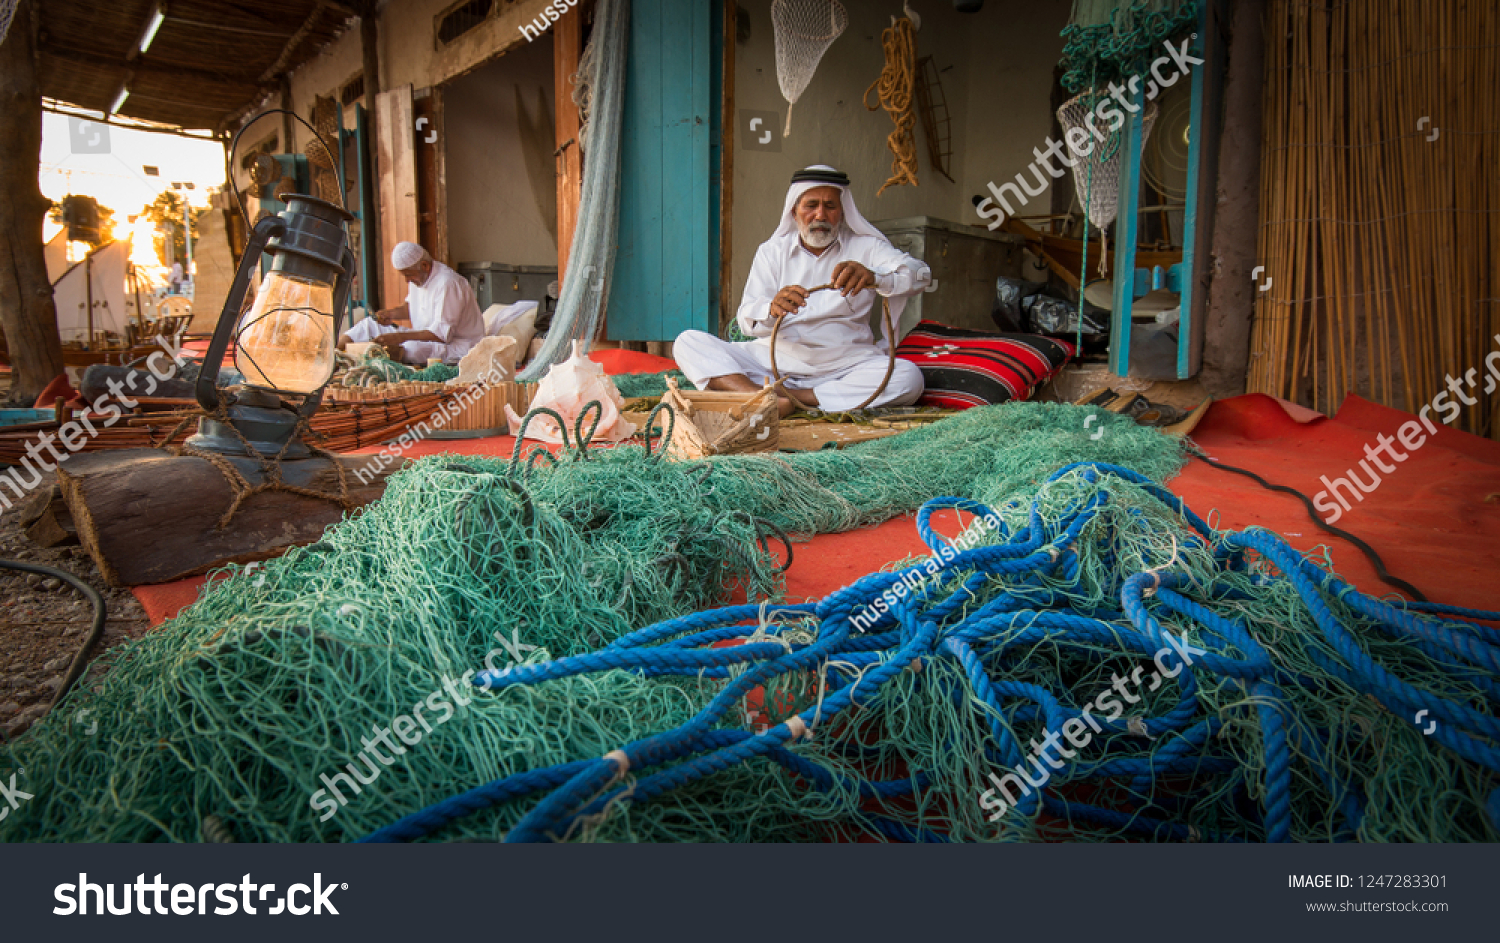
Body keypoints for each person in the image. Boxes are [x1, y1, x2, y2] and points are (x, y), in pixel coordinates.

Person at [674, 165, 927, 417]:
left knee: (909, 378)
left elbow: (920, 275)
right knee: (688, 342)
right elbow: (747, 321)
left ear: (842, 212)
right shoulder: (772, 252)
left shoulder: (867, 248)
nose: (820, 215)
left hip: (845, 364)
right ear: (794, 211)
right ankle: (755, 394)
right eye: (811, 205)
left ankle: (785, 399)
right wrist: (771, 309)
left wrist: (876, 276)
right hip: (774, 363)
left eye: (830, 206)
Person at [338, 242, 486, 364]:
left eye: (408, 275)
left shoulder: (448, 283)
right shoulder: (419, 279)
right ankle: (336, 354)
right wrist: (391, 314)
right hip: (427, 338)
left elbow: (440, 334)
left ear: (425, 266)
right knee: (370, 324)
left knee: (412, 348)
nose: (407, 280)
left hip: (458, 346)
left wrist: (400, 337)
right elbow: (411, 307)